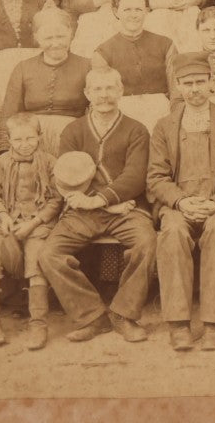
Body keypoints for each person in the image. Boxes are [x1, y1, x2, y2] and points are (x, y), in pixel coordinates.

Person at [149, 50, 215, 352]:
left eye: (200, 81)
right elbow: (156, 178)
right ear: (178, 86)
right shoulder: (164, 126)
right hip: (178, 206)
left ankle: (213, 323)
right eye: (187, 83)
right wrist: (181, 202)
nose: (194, 89)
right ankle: (178, 324)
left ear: (211, 82)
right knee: (171, 233)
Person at [42, 67, 158, 342]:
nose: (104, 95)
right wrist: (101, 205)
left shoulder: (137, 130)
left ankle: (124, 314)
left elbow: (135, 177)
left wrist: (102, 200)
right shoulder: (73, 130)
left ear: (121, 91)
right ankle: (92, 316)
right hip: (83, 210)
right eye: (97, 89)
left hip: (127, 208)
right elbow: (67, 175)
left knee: (147, 243)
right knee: (49, 254)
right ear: (87, 94)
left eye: (110, 88)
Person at [0, 111, 63, 349]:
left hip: (37, 223)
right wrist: (3, 216)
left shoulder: (49, 163)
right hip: (6, 221)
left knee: (36, 262)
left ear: (39, 137)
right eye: (17, 140)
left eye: (30, 139)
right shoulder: (1, 163)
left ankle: (38, 323)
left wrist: (35, 222)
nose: (24, 145)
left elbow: (56, 200)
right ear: (9, 140)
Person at [0, 6, 92, 154]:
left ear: (71, 33)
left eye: (60, 36)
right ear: (37, 37)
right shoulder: (23, 68)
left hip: (73, 141)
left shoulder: (87, 66)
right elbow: (9, 113)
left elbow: (97, 110)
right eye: (48, 38)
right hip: (29, 143)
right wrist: (4, 151)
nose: (55, 43)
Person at [94, 0, 177, 96]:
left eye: (138, 9)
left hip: (162, 110)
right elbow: (102, 96)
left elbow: (177, 92)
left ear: (146, 11)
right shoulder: (103, 52)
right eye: (127, 10)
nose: (133, 15)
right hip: (121, 110)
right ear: (116, 12)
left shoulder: (166, 45)